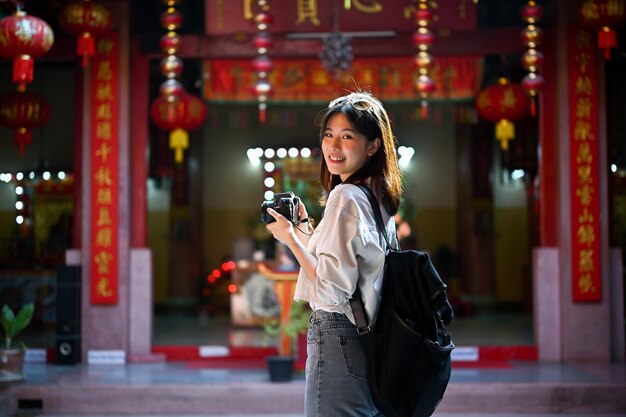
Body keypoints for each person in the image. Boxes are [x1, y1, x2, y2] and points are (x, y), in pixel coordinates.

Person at [266, 91, 403, 417]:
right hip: (370, 334)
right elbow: (346, 271)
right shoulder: (378, 197)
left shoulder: (345, 196)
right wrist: (303, 231)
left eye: (347, 136)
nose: (334, 146)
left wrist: (291, 241)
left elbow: (331, 286)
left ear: (372, 145)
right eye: (329, 135)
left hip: (338, 332)